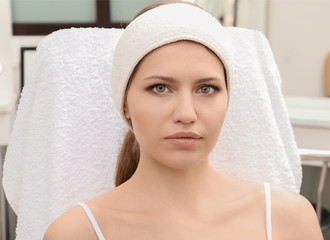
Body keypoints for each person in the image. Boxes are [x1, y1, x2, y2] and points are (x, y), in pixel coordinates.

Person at [44, 1, 323, 239]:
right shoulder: (77, 232)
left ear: (227, 98)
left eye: (206, 89)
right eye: (160, 88)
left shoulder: (288, 220)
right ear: (125, 103)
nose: (186, 114)